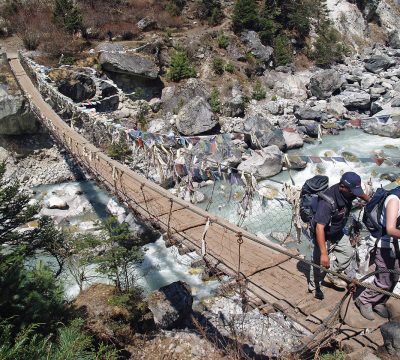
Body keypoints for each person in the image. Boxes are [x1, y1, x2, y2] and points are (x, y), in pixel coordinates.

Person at [308, 172, 370, 300]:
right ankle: (314, 286)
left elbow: (360, 194)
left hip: (337, 231)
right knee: (320, 263)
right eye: (352, 191)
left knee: (348, 253)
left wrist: (372, 201)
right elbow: (320, 227)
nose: (355, 194)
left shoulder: (349, 192)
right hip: (322, 235)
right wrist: (324, 253)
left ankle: (331, 273)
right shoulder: (327, 202)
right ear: (342, 187)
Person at [356, 190, 400, 320]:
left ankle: (379, 301)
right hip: (385, 245)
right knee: (384, 280)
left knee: (395, 276)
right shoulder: (394, 200)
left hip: (396, 244)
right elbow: (391, 229)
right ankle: (364, 300)